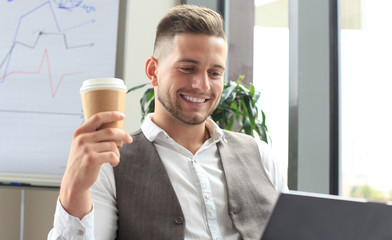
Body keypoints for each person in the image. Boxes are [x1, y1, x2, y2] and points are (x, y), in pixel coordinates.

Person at [48, 4, 288, 240]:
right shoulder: (110, 165)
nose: (202, 85)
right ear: (153, 70)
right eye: (187, 68)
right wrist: (74, 189)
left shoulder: (261, 156)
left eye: (214, 73)